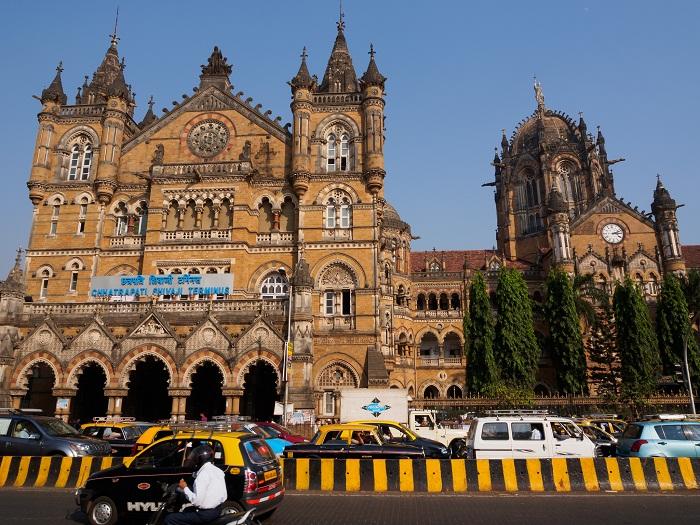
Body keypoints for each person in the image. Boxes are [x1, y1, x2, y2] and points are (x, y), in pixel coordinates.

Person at [164, 444, 227, 525]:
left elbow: (197, 501)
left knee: (170, 519)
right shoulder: (217, 470)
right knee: (187, 510)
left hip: (205, 515)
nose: (194, 460)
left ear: (200, 459)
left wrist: (185, 488)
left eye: (195, 458)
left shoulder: (202, 475)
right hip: (217, 510)